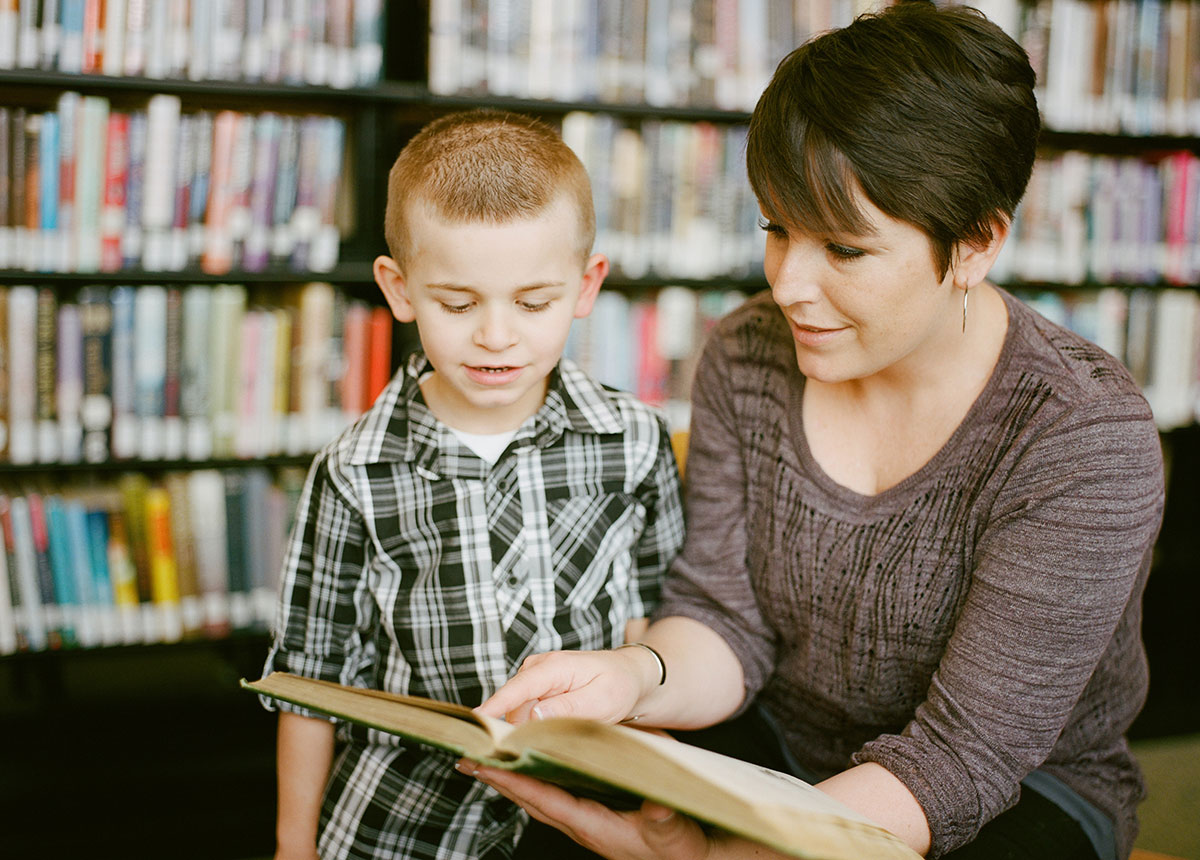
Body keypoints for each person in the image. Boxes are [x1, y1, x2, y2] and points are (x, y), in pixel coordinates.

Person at [469, 4, 1165, 860]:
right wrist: (629, 678)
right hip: (781, 748)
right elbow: (725, 621)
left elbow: (962, 759)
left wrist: (726, 854)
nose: (790, 283)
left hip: (1018, 792)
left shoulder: (1082, 434)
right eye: (777, 228)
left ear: (976, 244)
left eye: (843, 249)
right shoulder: (747, 353)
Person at [260, 109, 686, 860]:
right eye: (458, 304)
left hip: (588, 814)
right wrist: (294, 850)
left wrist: (660, 803)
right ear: (399, 290)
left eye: (533, 302)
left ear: (587, 287)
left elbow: (654, 627)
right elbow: (306, 681)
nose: (496, 335)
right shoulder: (355, 471)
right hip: (403, 823)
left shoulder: (634, 441)